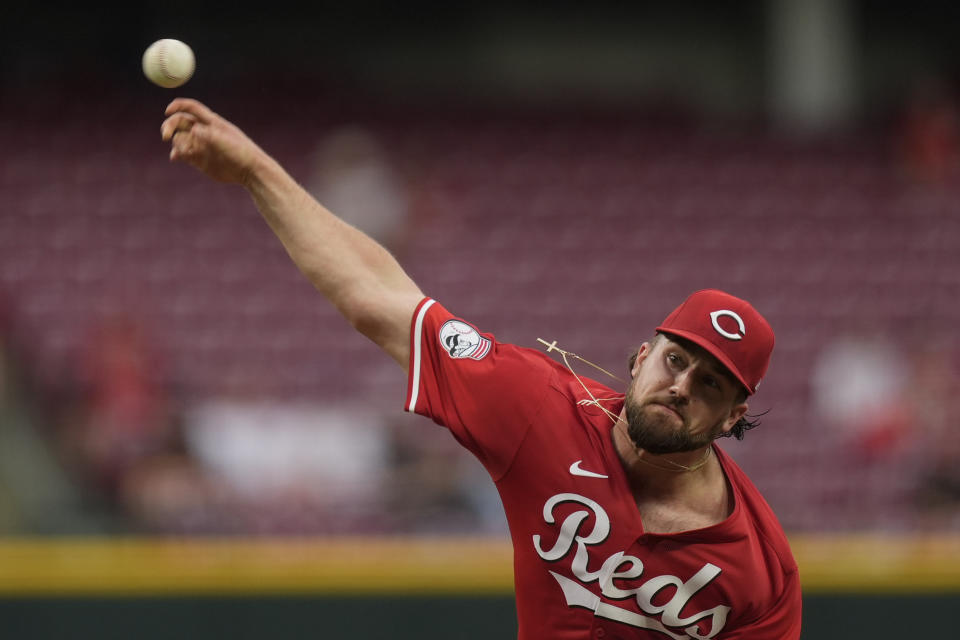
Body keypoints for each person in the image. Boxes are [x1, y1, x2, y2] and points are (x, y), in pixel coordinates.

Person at [160, 98, 801, 639]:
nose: (681, 385)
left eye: (710, 383)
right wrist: (255, 170)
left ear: (733, 418)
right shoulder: (538, 409)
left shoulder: (762, 573)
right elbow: (377, 299)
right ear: (640, 359)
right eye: (675, 359)